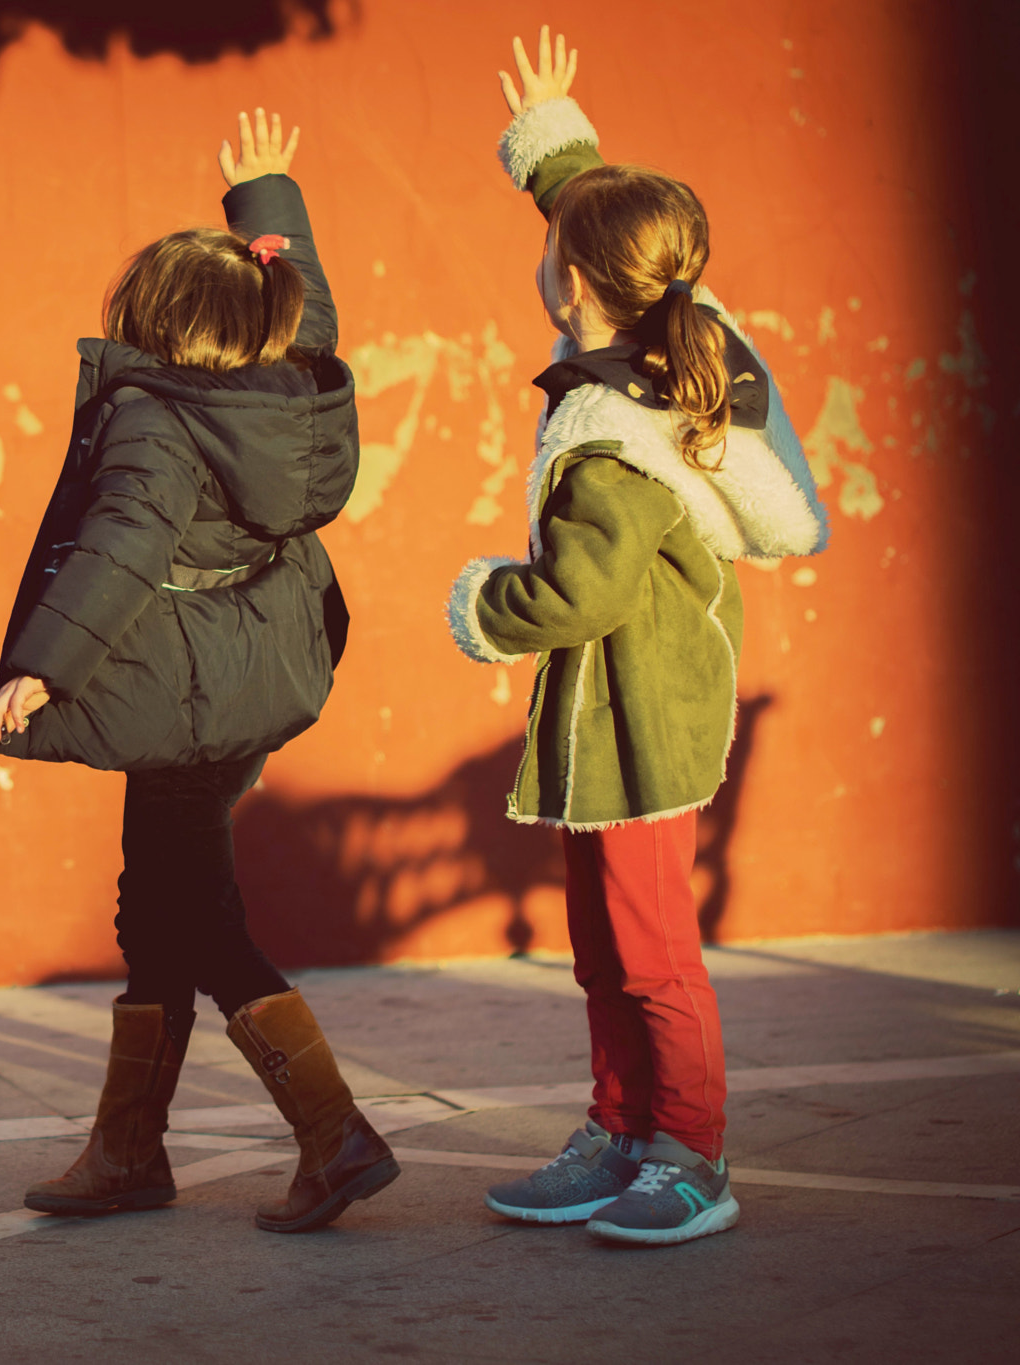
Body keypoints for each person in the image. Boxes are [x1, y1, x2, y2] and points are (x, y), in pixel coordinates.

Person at [446, 30, 828, 1246]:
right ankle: (620, 1135)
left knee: (652, 956)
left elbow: (581, 595)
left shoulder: (613, 432)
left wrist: (478, 607)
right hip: (601, 724)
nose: (546, 260)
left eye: (552, 250)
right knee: (603, 952)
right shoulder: (652, 349)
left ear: (570, 285)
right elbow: (619, 239)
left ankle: (689, 1157)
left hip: (642, 720)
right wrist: (558, 149)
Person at [0, 110, 388, 1234]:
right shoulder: (291, 385)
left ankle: (331, 1131)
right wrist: (265, 193)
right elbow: (305, 293)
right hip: (256, 670)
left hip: (175, 687)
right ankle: (126, 1151)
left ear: (155, 327)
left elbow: (119, 545)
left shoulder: (155, 421)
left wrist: (42, 668)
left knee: (192, 912)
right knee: (155, 902)